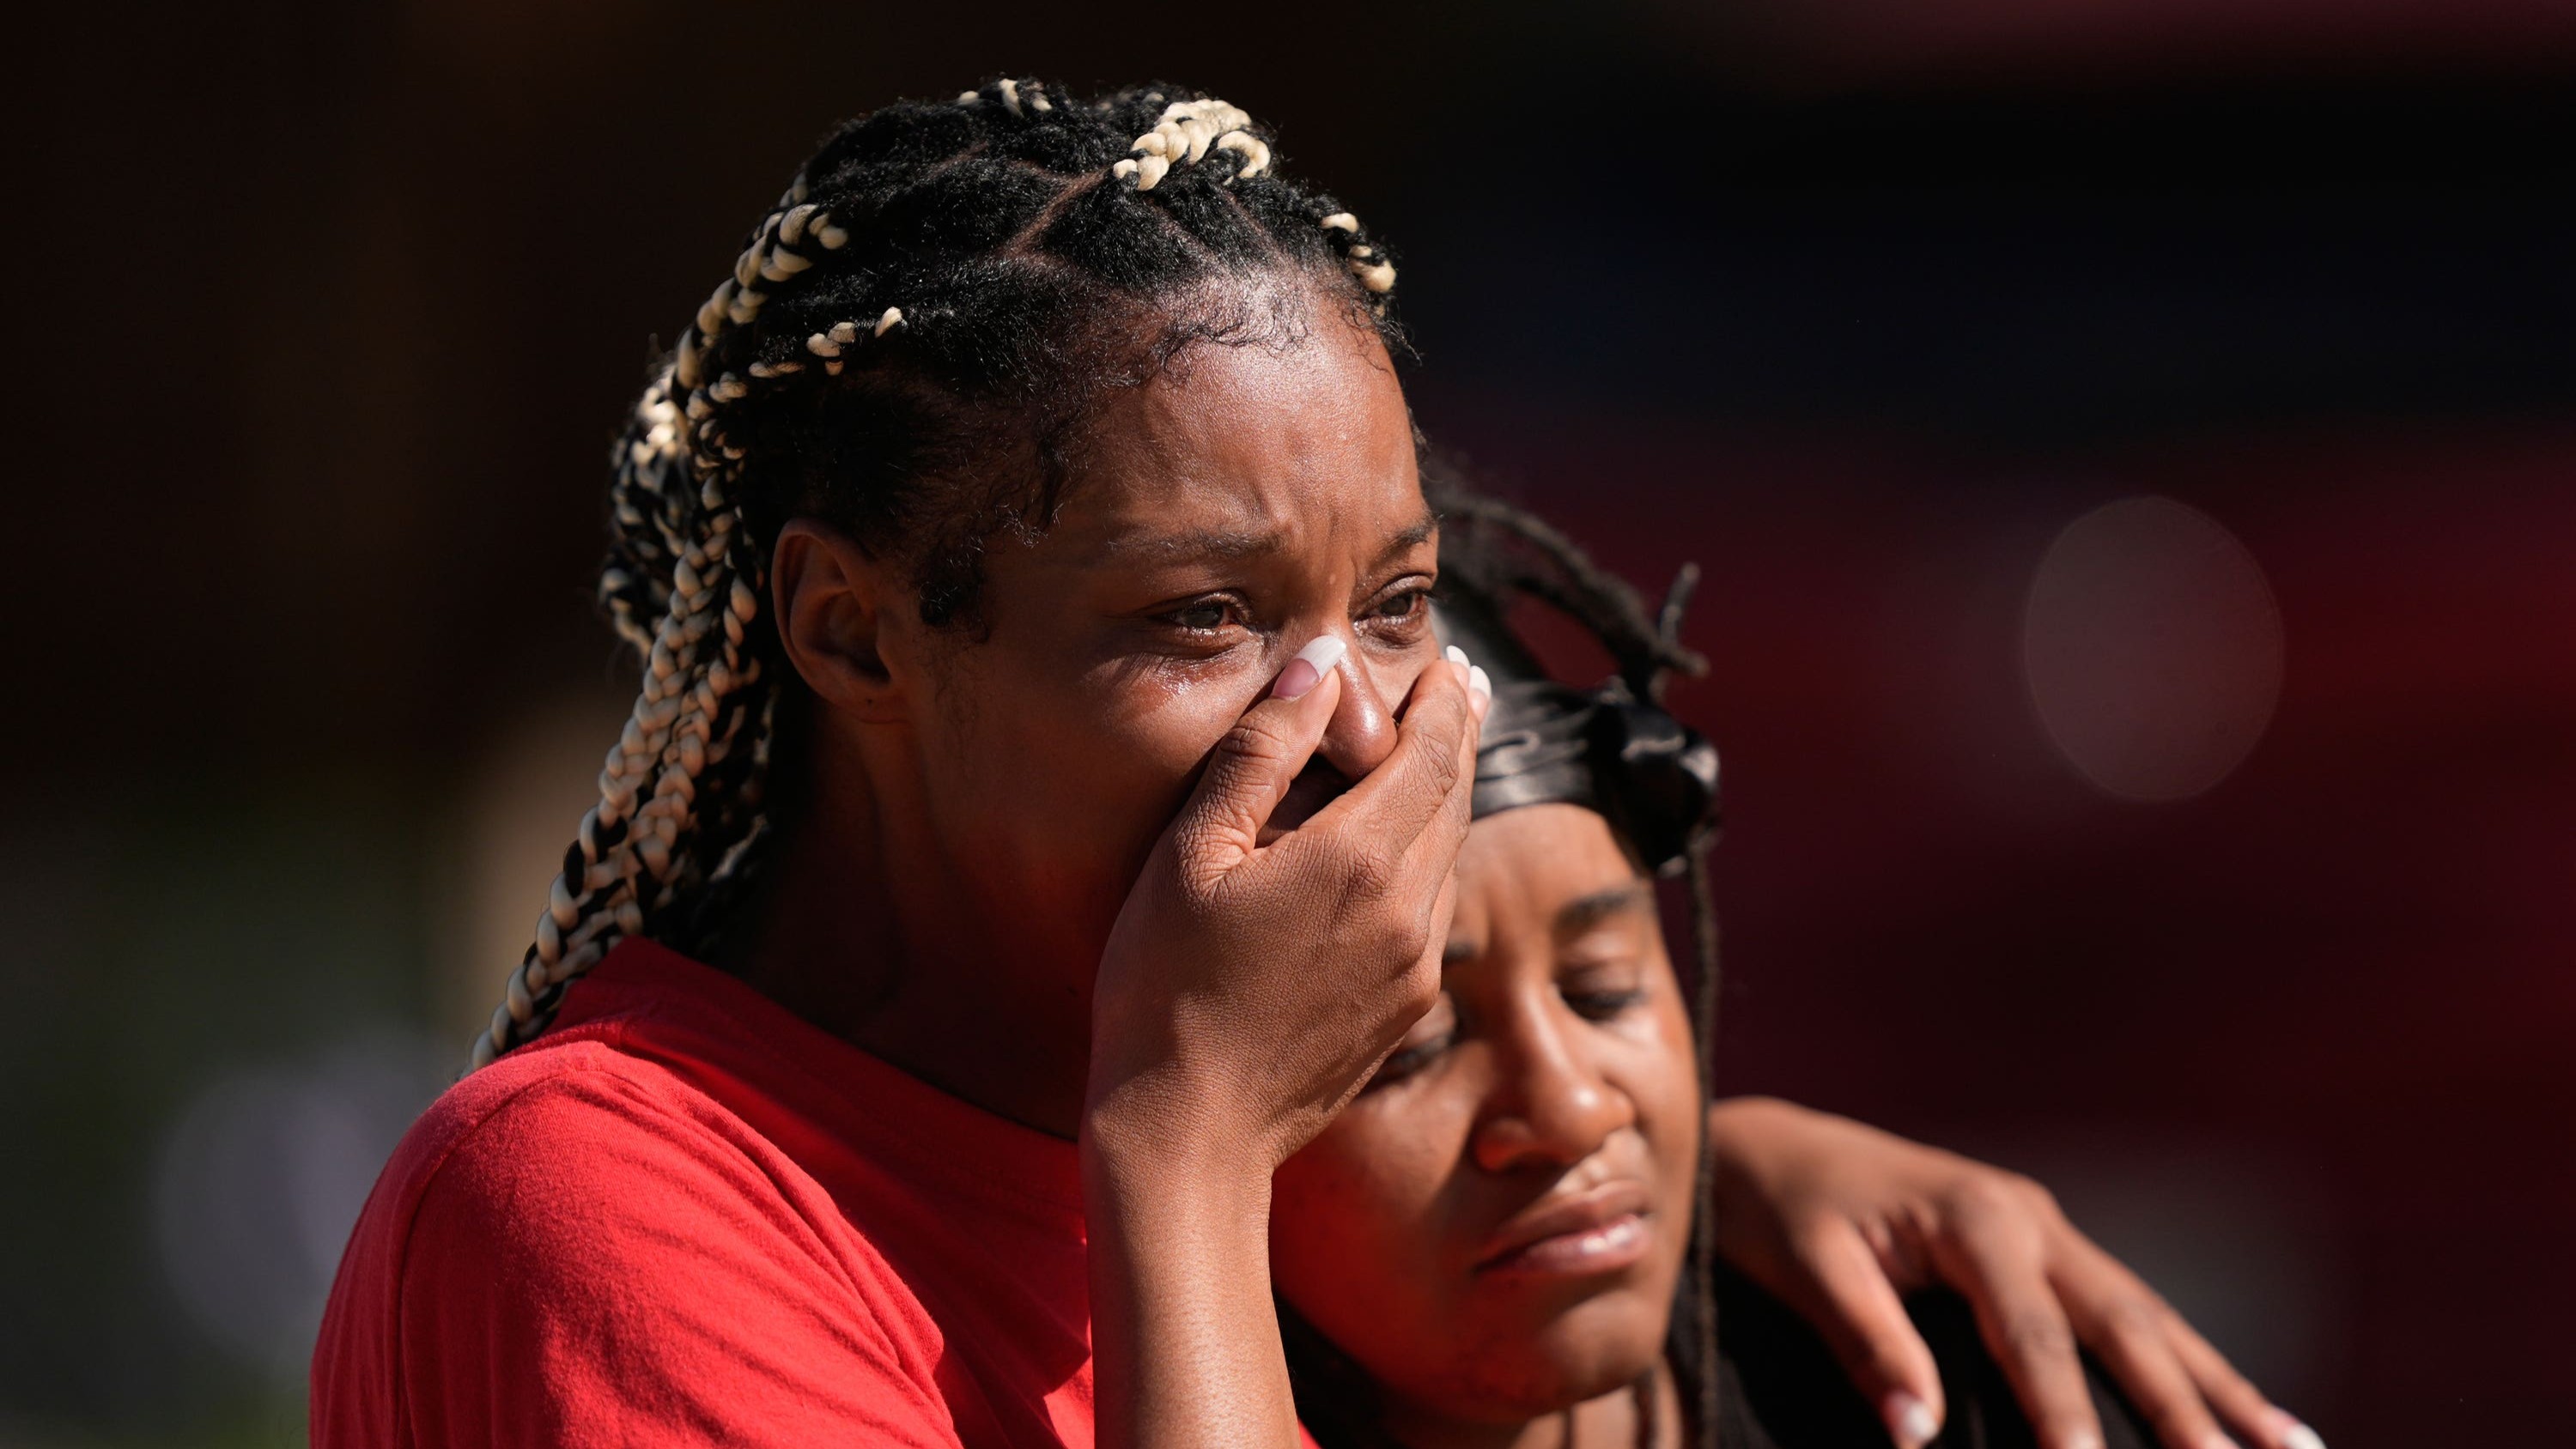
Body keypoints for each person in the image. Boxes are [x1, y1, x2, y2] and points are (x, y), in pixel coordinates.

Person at [312, 79, 2309, 1449]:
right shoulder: (603, 1208)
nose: (1355, 724)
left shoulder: (1255, 1150)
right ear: (851, 633)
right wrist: (1184, 1151)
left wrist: (1696, 1194)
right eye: (1200, 620)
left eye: (1393, 597)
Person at [1267, 495, 2329, 1449]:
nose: (1571, 1103)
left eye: (1603, 987)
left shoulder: (1947, 1397)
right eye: (1410, 1044)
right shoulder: (1127, 1394)